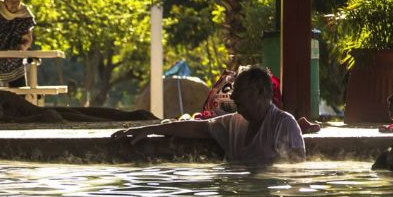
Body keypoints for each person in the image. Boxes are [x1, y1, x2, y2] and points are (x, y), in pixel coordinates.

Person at [113, 65, 305, 164]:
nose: (234, 96)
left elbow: (296, 173)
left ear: (262, 93)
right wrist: (148, 129)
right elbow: (195, 127)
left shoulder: (283, 124)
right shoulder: (234, 123)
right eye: (234, 91)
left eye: (241, 91)